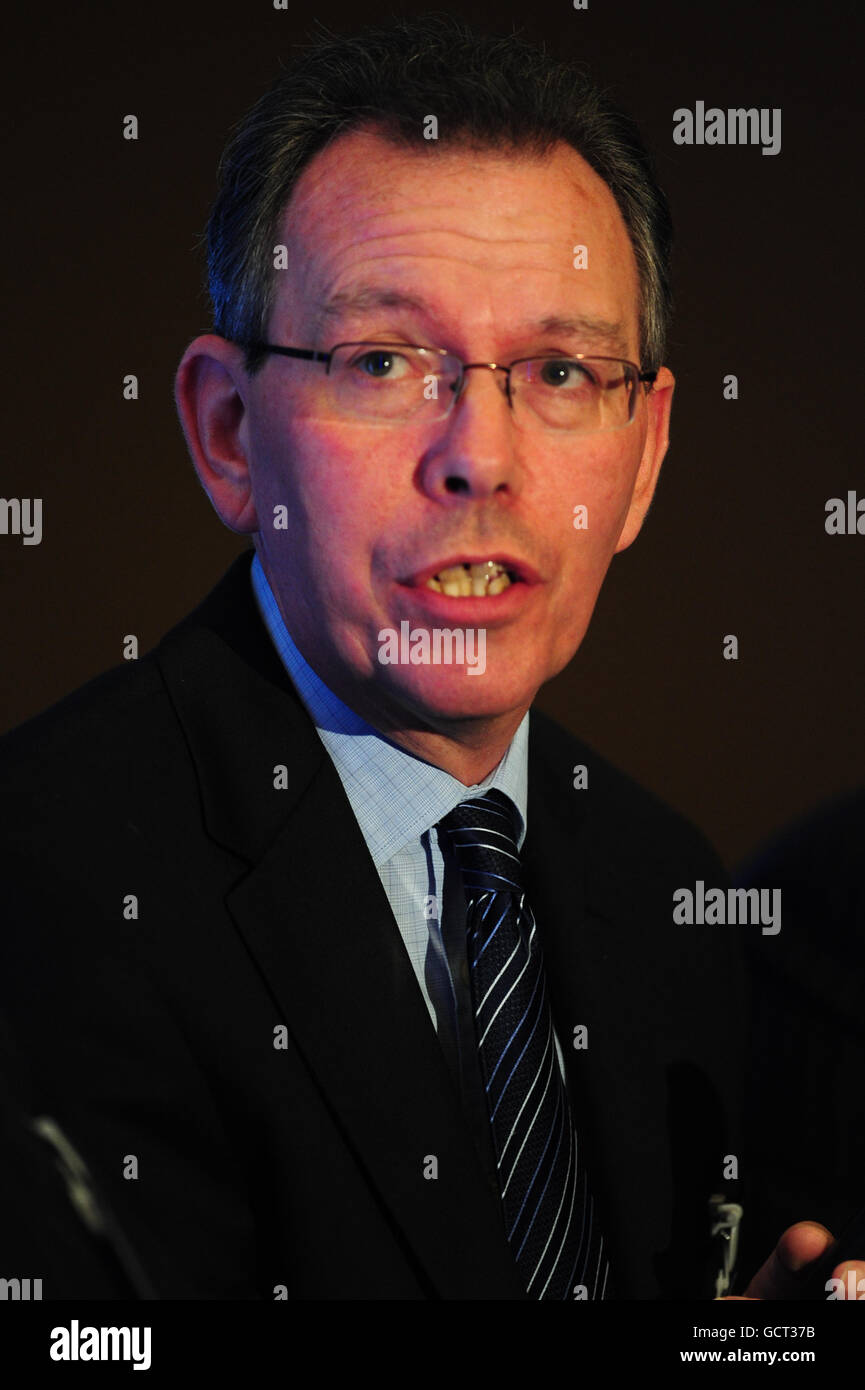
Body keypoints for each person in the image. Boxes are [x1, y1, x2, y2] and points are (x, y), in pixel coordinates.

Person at [0, 15, 858, 1300]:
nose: (481, 454)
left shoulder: (663, 885)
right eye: (387, 360)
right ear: (228, 431)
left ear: (645, 460)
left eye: (561, 369)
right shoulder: (44, 888)